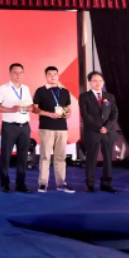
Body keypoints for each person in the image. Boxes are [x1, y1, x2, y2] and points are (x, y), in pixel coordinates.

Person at [32, 66, 75, 194]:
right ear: (46, 76)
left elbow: (69, 108)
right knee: (45, 156)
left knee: (60, 157)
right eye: (49, 74)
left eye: (55, 74)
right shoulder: (40, 91)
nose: (52, 76)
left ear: (58, 76)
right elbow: (34, 109)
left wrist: (68, 114)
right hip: (46, 127)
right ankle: (43, 183)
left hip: (62, 128)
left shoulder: (64, 91)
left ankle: (61, 183)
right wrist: (49, 114)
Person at [0, 63, 34, 193]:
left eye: (21, 72)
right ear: (10, 73)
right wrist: (11, 109)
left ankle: (21, 184)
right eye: (15, 72)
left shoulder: (25, 88)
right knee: (5, 156)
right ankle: (5, 184)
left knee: (23, 157)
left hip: (24, 126)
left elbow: (31, 106)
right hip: (9, 126)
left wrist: (29, 108)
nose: (18, 75)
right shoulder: (3, 88)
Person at [78, 71, 119, 193]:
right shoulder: (84, 97)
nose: (98, 83)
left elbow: (114, 114)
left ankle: (106, 183)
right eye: (95, 81)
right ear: (90, 82)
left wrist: (107, 127)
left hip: (107, 132)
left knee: (108, 159)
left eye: (100, 81)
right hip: (93, 132)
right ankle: (90, 183)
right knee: (91, 158)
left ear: (103, 82)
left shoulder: (109, 96)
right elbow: (85, 115)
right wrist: (98, 127)